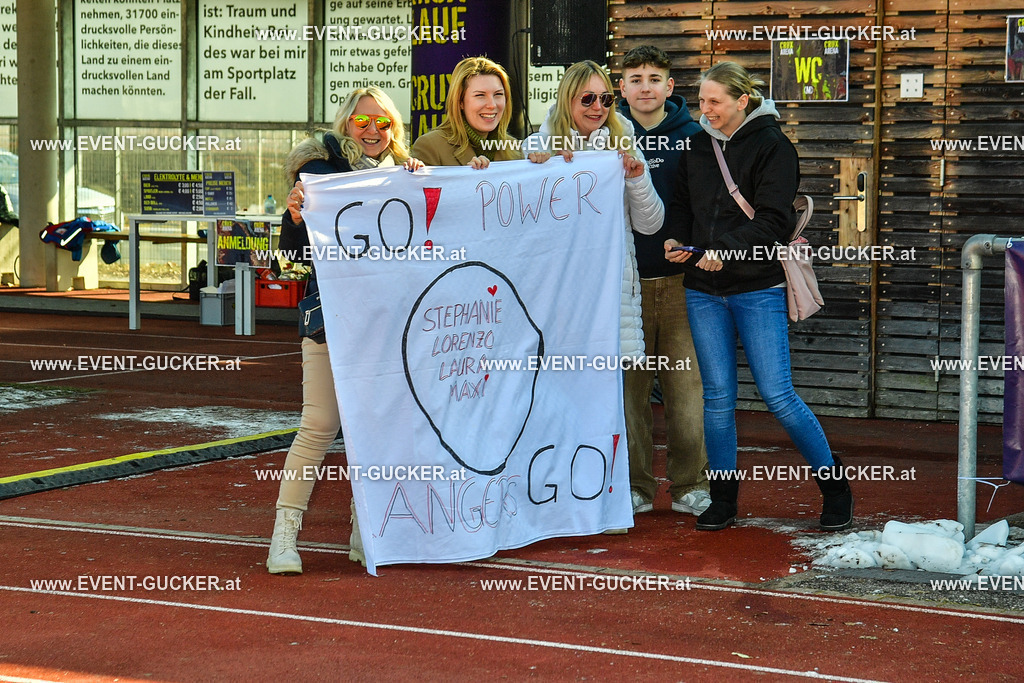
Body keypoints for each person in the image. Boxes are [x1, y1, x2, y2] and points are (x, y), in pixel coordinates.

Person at [664, 61, 853, 531]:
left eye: (715, 102)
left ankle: (835, 486)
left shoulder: (773, 145)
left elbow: (775, 221)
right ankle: (723, 500)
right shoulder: (696, 144)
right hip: (702, 290)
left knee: (778, 394)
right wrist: (676, 241)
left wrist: (722, 251)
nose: (704, 110)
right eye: (702, 101)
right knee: (718, 397)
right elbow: (683, 207)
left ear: (742, 101)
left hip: (757, 288)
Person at [267, 86, 423, 574]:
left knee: (377, 432)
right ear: (345, 125)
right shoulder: (320, 175)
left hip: (391, 325)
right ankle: (283, 541)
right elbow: (287, 264)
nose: (373, 130)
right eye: (362, 122)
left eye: (383, 122)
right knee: (318, 426)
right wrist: (294, 219)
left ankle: (365, 533)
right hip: (330, 321)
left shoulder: (409, 174)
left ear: (395, 127)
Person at [527, 60, 665, 533]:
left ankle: (607, 498)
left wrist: (634, 176)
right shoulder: (537, 148)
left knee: (614, 402)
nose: (599, 107)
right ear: (567, 99)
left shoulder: (624, 142)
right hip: (561, 302)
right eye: (588, 99)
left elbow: (650, 224)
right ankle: (555, 496)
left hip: (612, 300)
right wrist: (537, 174)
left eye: (607, 99)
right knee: (558, 399)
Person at [617, 45, 709, 517]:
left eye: (655, 77)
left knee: (686, 390)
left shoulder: (695, 135)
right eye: (636, 78)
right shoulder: (605, 135)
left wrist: (696, 248)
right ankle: (635, 486)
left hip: (681, 284)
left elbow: (708, 206)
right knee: (629, 396)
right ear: (622, 86)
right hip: (624, 286)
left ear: (670, 87)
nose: (645, 86)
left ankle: (691, 483)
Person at [411, 56, 523, 167]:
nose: (492, 105)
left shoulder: (514, 149)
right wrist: (467, 178)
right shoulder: (430, 146)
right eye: (480, 95)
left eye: (498, 94)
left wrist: (537, 165)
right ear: (460, 101)